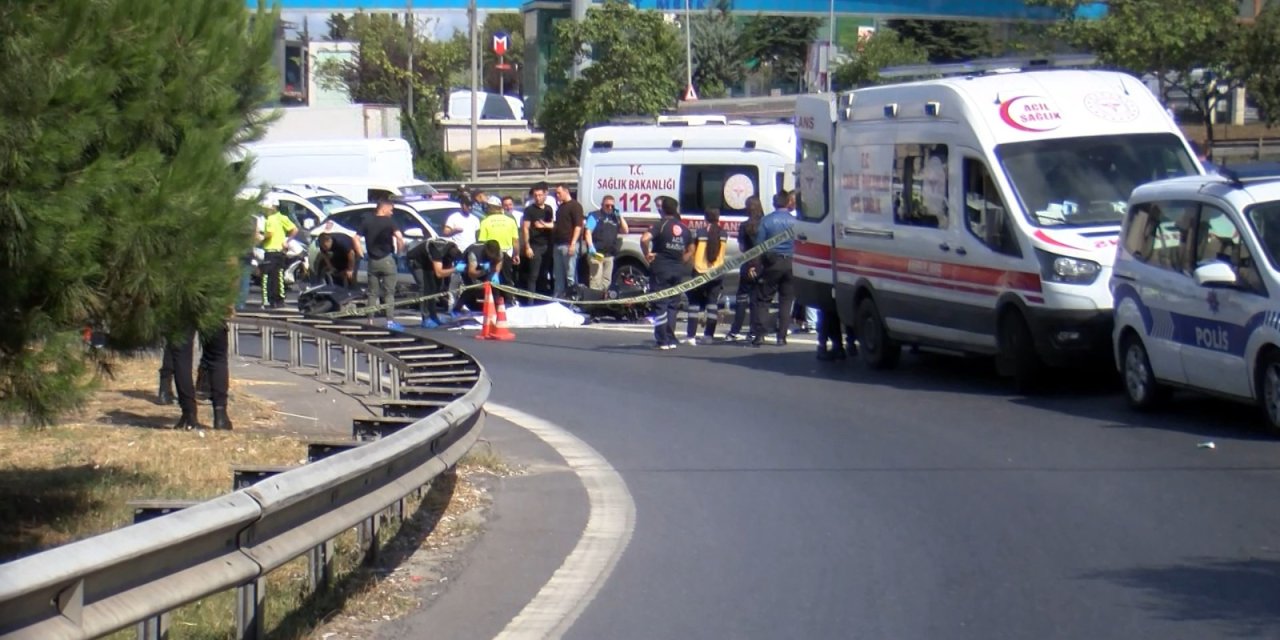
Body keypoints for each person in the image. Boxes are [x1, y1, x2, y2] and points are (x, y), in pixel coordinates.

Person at [641, 196, 695, 350]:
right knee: (672, 305)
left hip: (661, 269)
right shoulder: (684, 228)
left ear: (663, 209)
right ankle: (671, 338)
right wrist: (681, 260)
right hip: (677, 270)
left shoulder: (661, 225)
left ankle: (662, 340)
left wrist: (647, 254)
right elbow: (691, 249)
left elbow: (644, 239)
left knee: (661, 304)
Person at [165, 320, 232, 430]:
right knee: (217, 357)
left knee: (182, 357)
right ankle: (221, 415)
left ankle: (189, 415)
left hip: (181, 308)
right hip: (212, 306)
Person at [750, 191, 797, 347]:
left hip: (772, 262)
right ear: (788, 202)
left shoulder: (766, 221)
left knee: (763, 299)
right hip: (791, 262)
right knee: (786, 300)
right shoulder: (795, 221)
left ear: (774, 203)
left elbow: (759, 246)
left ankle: (760, 335)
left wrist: (755, 265)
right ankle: (782, 337)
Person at [354, 198, 405, 329]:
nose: (392, 213)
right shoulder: (390, 222)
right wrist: (399, 253)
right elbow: (399, 238)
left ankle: (370, 321)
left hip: (372, 260)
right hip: (387, 259)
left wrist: (360, 254)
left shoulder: (366, 221)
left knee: (372, 292)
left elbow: (355, 239)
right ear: (383, 208)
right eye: (391, 210)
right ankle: (389, 321)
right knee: (389, 292)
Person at [683, 207, 727, 345]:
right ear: (718, 218)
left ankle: (691, 336)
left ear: (705, 218)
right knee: (712, 304)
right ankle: (709, 336)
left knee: (694, 303)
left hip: (700, 271)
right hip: (717, 273)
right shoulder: (724, 233)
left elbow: (693, 249)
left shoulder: (700, 232)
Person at [725, 196, 765, 342]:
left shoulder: (744, 226)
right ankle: (754, 331)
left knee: (741, 299)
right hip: (761, 265)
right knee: (756, 300)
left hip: (747, 263)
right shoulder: (764, 224)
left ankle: (735, 330)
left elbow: (742, 248)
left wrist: (750, 263)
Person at [407, 236, 462, 328]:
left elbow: (445, 273)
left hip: (428, 262)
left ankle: (433, 316)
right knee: (424, 288)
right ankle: (426, 318)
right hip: (416, 262)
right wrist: (456, 269)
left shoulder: (452, 249)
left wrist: (444, 287)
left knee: (434, 288)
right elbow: (439, 273)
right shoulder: (438, 251)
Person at [585, 194, 628, 291]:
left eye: (612, 206)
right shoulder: (595, 216)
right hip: (596, 253)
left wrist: (620, 216)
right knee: (596, 279)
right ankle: (594, 301)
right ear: (602, 205)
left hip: (609, 254)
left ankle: (603, 301)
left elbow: (625, 230)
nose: (609, 207)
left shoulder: (615, 218)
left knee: (606, 280)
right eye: (607, 205)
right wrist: (591, 247)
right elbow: (588, 232)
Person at [260, 203, 297, 308]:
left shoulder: (270, 219)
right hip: (280, 251)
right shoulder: (282, 217)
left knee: (267, 277)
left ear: (272, 208)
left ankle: (267, 301)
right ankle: (279, 300)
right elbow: (294, 230)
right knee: (278, 276)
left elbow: (270, 233)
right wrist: (287, 241)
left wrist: (261, 236)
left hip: (271, 251)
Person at [551, 183, 585, 298]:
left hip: (569, 244)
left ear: (566, 191)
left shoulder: (575, 206)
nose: (557, 195)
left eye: (559, 193)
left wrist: (573, 243)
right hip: (558, 244)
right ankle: (558, 299)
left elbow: (578, 226)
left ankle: (574, 299)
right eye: (556, 193)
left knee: (570, 275)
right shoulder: (560, 207)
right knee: (558, 276)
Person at [522, 183, 555, 297]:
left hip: (547, 245)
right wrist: (527, 247)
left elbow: (552, 224)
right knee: (533, 275)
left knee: (544, 273)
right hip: (535, 245)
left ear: (545, 195)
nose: (538, 197)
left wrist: (544, 225)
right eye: (535, 195)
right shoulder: (529, 210)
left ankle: (542, 299)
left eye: (540, 195)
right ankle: (530, 300)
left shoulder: (549, 209)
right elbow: (525, 228)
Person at [458, 240, 505, 312]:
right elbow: (471, 273)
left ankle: (496, 306)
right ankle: (458, 306)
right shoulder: (474, 253)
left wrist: (495, 273)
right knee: (474, 287)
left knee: (494, 286)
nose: (492, 257)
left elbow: (499, 260)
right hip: (468, 269)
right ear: (486, 251)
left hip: (484, 267)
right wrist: (484, 271)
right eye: (490, 255)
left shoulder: (498, 252)